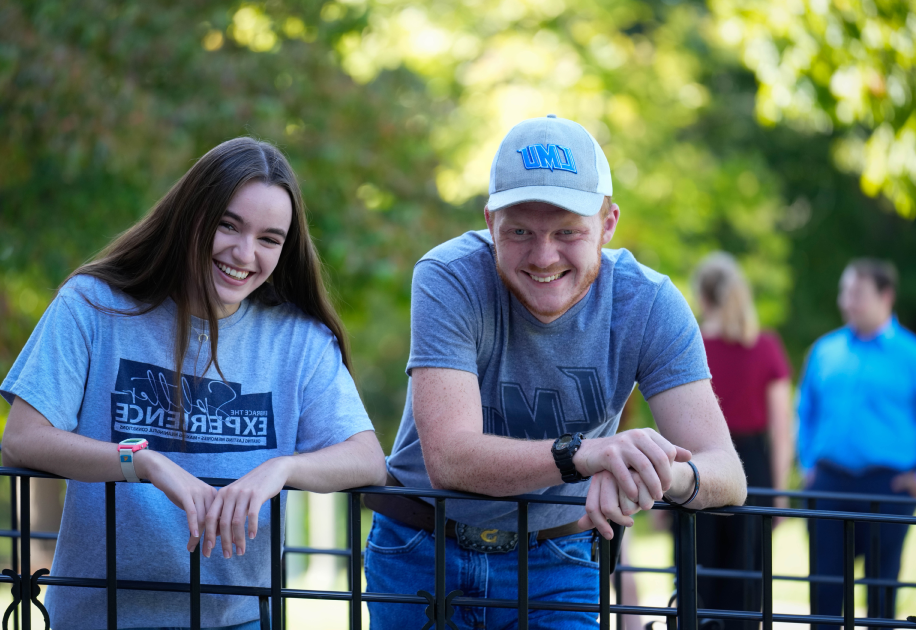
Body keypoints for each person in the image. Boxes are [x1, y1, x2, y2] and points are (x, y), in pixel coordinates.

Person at [363, 114, 747, 630]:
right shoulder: (447, 276)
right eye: (520, 231)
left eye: (568, 231)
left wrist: (653, 473)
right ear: (490, 221)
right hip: (419, 549)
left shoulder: (648, 301)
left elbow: (727, 473)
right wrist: (586, 454)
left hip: (558, 559)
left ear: (608, 223)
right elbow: (451, 459)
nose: (544, 256)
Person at [0, 137, 387, 630]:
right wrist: (141, 462)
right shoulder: (92, 305)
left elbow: (367, 457)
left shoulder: (299, 339)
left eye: (270, 239)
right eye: (228, 225)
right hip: (102, 615)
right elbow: (22, 439)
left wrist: (282, 468)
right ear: (191, 217)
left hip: (239, 620)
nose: (245, 253)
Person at [797, 258, 916, 626]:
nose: (847, 301)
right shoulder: (824, 351)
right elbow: (805, 412)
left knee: (882, 587)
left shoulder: (911, 354)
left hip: (889, 485)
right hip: (829, 483)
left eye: (857, 293)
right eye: (844, 292)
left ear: (886, 296)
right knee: (825, 586)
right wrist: (807, 467)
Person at [692, 252, 792, 628]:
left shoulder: (692, 345)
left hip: (701, 460)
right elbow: (782, 430)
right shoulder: (766, 346)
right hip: (753, 466)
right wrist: (780, 491)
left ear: (703, 295)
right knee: (748, 581)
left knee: (697, 575)